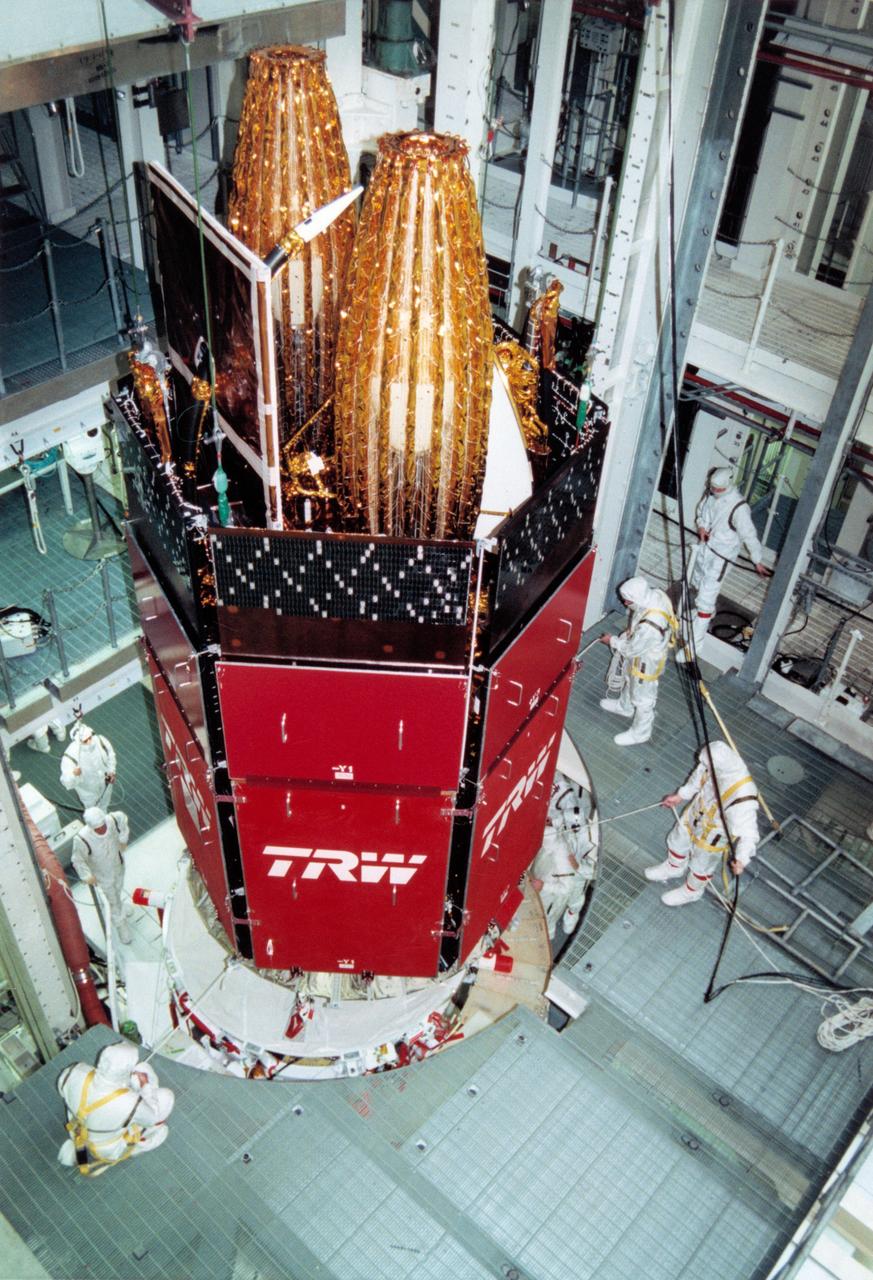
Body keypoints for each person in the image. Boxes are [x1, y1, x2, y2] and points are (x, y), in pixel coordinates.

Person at [644, 740, 759, 907]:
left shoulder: (743, 796)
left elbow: (749, 835)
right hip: (696, 813)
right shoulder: (709, 764)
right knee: (678, 839)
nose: (704, 768)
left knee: (702, 864)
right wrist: (680, 795)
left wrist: (741, 859)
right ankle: (674, 867)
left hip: (715, 833)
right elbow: (697, 780)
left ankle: (692, 892)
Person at [677, 467, 770, 662]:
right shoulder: (711, 495)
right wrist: (702, 526)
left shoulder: (738, 508)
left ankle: (693, 647)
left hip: (721, 558)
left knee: (706, 596)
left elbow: (749, 535)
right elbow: (702, 512)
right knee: (697, 582)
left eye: (718, 489)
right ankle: (707, 613)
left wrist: (757, 560)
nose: (714, 491)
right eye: (712, 488)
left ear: (728, 485)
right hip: (705, 549)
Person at [57, 1040, 174, 1175]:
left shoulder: (75, 1071)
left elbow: (62, 1089)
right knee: (166, 1098)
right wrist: (145, 1085)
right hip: (106, 1149)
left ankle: (80, 1147)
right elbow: (151, 1118)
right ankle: (139, 1146)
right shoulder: (130, 1102)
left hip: (78, 1127)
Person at [598, 576, 677, 746]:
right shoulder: (654, 596)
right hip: (642, 651)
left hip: (647, 661)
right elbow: (640, 616)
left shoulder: (651, 625)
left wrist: (612, 641)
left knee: (643, 699)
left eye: (628, 601)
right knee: (629, 678)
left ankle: (640, 733)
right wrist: (631, 631)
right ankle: (625, 707)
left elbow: (631, 649)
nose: (626, 604)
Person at [71, 807, 132, 944]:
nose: (102, 829)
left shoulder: (113, 819)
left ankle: (119, 907)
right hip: (102, 875)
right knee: (111, 899)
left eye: (103, 826)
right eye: (97, 829)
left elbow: (123, 818)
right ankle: (120, 924)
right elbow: (77, 860)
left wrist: (123, 839)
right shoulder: (82, 839)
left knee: (118, 889)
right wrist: (87, 876)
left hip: (118, 865)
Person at [60, 721, 116, 810]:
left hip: (105, 783)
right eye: (85, 741)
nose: (89, 742)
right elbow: (66, 781)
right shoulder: (70, 756)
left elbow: (111, 755)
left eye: (90, 738)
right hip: (88, 791)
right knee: (92, 810)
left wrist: (111, 772)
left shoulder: (100, 740)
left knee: (105, 803)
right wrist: (74, 774)